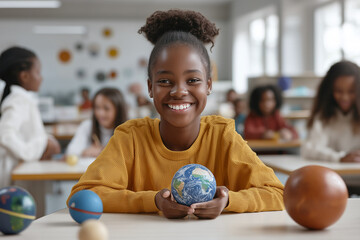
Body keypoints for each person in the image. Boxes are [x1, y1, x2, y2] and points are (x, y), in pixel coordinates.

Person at [68, 10, 284, 219]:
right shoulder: (130, 138)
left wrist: (228, 201)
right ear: (150, 87)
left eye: (192, 80)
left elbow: (277, 193)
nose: (179, 91)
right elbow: (81, 196)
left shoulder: (222, 137)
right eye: (164, 81)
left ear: (208, 85)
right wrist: (153, 201)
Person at [0, 46, 61, 188]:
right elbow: (4, 135)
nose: (41, 78)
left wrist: (47, 140)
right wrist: (33, 151)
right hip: (19, 171)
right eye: (38, 72)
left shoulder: (22, 98)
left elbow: (30, 132)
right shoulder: (19, 100)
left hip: (23, 169)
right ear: (25, 76)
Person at [301, 61, 360, 163]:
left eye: (351, 92)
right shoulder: (323, 118)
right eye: (339, 91)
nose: (345, 98)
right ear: (329, 90)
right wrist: (340, 157)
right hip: (331, 175)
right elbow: (309, 149)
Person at [66, 88, 128, 158]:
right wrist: (85, 152)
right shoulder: (87, 126)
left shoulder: (127, 130)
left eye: (106, 108)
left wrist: (103, 151)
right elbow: (71, 152)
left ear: (118, 110)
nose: (100, 113)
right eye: (97, 107)